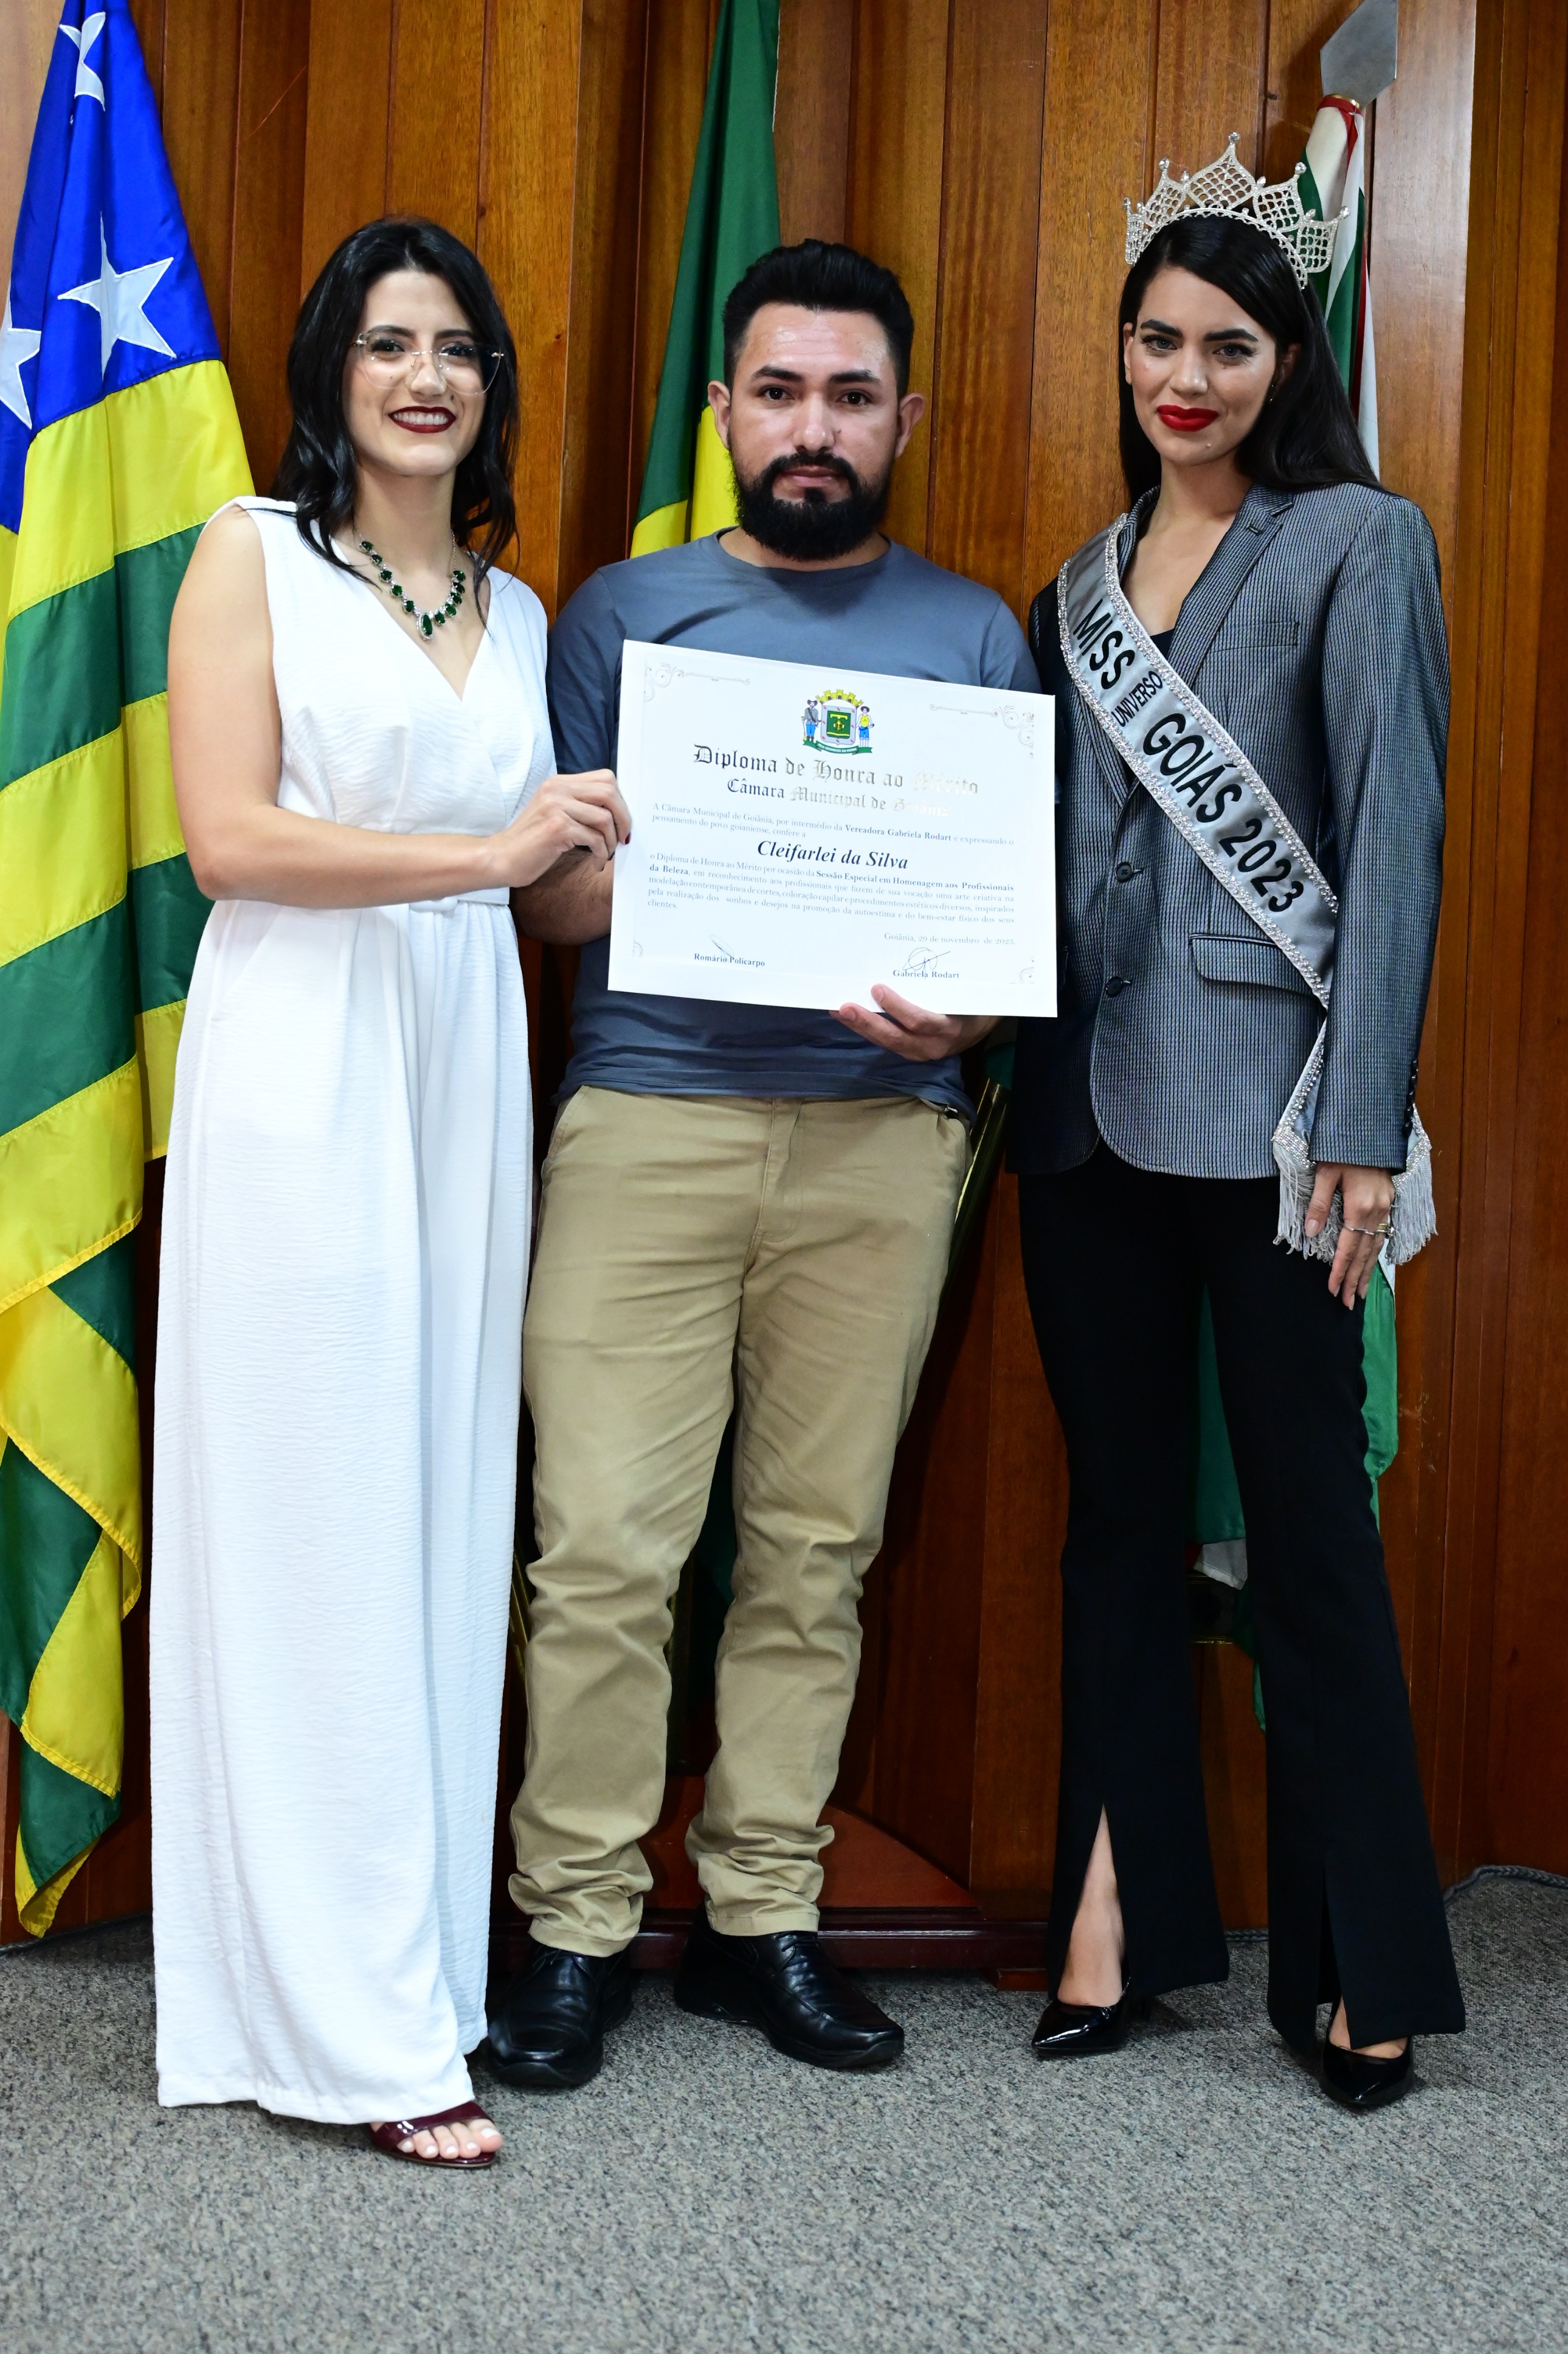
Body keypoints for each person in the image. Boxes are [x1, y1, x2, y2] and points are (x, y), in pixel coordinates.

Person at [485, 238, 1034, 2088]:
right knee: (602, 1550)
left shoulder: (973, 635)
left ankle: (760, 1919)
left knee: (814, 1551)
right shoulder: (623, 616)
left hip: (883, 1139)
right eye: (780, 391)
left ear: (904, 420)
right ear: (724, 410)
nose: (814, 427)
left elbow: (995, 920)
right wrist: (656, 864)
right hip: (650, 1121)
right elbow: (554, 911)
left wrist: (967, 1015)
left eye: (851, 396)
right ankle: (572, 1925)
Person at [150, 216, 627, 2166]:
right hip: (303, 1057)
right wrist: (492, 858)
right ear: (330, 374)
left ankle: (408, 1978)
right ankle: (342, 2033)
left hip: (459, 1072)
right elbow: (228, 841)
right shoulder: (248, 555)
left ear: (490, 385)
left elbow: (552, 896)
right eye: (387, 343)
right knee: (315, 1508)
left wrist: (659, 861)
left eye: (457, 348)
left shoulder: (517, 612)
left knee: (435, 1501)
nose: (425, 378)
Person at [1011, 151, 1465, 2111]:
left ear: (1288, 360)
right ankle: (1115, 1923)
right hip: (1078, 1120)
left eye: (1225, 346)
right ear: (1119, 352)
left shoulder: (1358, 540)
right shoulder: (1074, 586)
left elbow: (1393, 837)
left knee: (1307, 1542)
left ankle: (1360, 1968)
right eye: (1155, 341)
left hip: (1276, 1128)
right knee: (1114, 1522)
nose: (1182, 380)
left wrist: (1360, 1123)